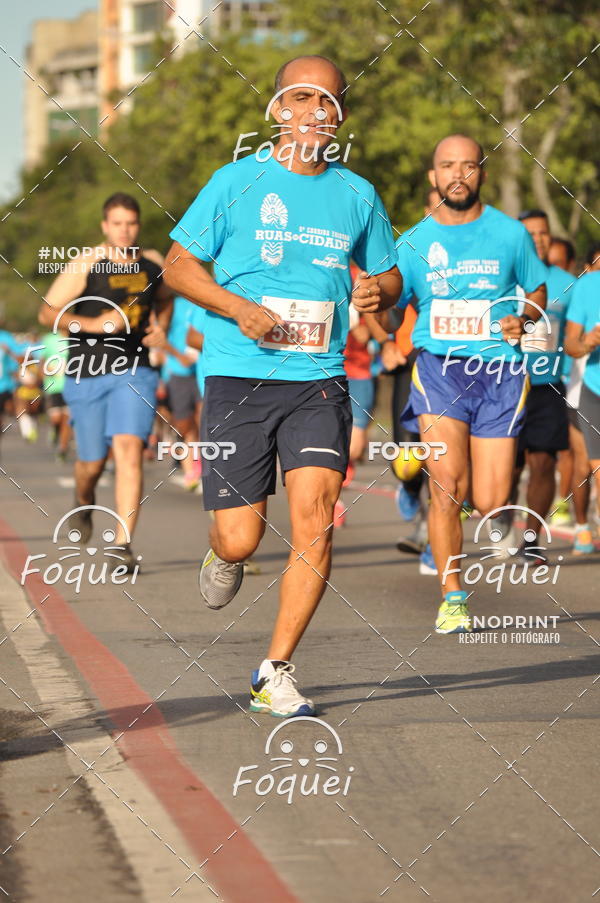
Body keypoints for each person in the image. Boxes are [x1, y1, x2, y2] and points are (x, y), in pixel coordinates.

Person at [164, 55, 401, 717]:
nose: (314, 111)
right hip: (240, 373)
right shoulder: (235, 181)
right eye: (301, 97)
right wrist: (235, 307)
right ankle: (225, 552)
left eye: (327, 101)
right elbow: (179, 269)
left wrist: (382, 289)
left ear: (338, 118)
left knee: (317, 524)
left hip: (320, 379)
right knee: (241, 537)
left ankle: (275, 670)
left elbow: (389, 281)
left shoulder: (357, 194)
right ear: (277, 109)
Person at [387, 134, 547, 634]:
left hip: (501, 373)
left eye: (469, 165)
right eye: (447, 166)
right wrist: (378, 313)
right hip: (440, 367)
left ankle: (484, 505)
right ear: (433, 177)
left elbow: (537, 287)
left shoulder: (510, 234)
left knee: (490, 500)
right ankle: (452, 593)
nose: (458, 174)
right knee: (446, 487)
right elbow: (394, 303)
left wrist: (523, 317)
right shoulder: (412, 241)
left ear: (481, 173)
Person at [38, 192, 173, 568]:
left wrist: (161, 327)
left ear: (138, 224)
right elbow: (47, 313)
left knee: (129, 449)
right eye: (117, 224)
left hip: (136, 369)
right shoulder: (87, 262)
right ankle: (83, 501)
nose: (125, 231)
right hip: (87, 372)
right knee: (92, 463)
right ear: (105, 226)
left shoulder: (152, 263)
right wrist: (91, 325)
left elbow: (166, 298)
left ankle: (122, 545)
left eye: (130, 223)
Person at [500, 209, 574, 561]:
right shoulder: (505, 277)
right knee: (509, 467)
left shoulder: (566, 283)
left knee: (543, 462)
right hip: (506, 381)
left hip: (549, 385)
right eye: (530, 234)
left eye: (543, 233)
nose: (538, 239)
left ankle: (531, 538)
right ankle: (501, 517)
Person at [564, 242, 600, 551]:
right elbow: (570, 345)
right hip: (582, 388)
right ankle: (581, 524)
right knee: (584, 466)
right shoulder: (584, 288)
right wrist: (588, 342)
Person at [162, 295, 202, 490]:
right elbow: (160, 337)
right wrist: (179, 357)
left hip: (202, 371)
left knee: (204, 420)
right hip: (178, 372)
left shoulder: (205, 300)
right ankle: (190, 471)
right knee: (185, 425)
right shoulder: (174, 303)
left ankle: (200, 469)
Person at [38, 329, 71, 461]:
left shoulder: (77, 339)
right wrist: (43, 372)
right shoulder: (48, 339)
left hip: (72, 386)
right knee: (56, 418)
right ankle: (54, 430)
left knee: (67, 419)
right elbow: (41, 360)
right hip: (53, 386)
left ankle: (63, 449)